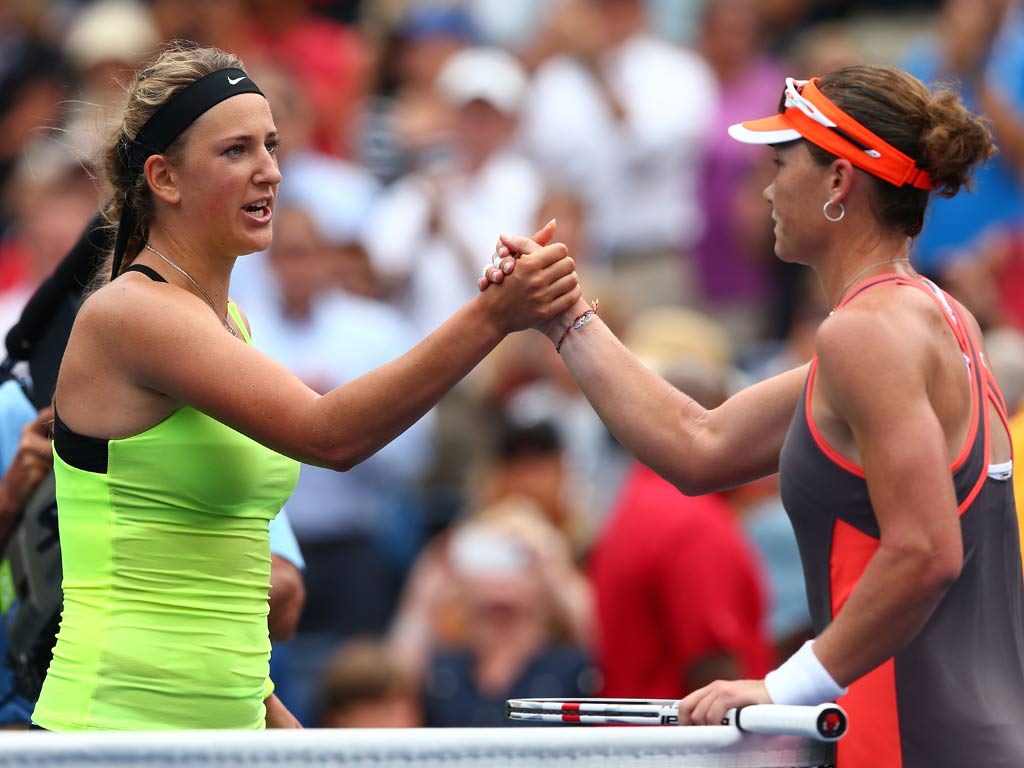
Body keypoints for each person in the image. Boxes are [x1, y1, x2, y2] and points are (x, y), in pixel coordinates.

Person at [31, 43, 579, 732]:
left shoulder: (227, 323)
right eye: (236, 151)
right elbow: (333, 434)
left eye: (272, 145)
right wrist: (492, 316)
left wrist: (276, 724)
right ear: (164, 178)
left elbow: (215, 569)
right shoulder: (133, 314)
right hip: (115, 731)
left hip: (227, 731)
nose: (271, 171)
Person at [485, 65, 1023, 766]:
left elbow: (925, 552)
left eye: (779, 164)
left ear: (838, 183)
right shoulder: (932, 318)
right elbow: (698, 444)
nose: (767, 189)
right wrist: (565, 316)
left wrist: (784, 687)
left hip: (909, 744)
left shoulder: (864, 335)